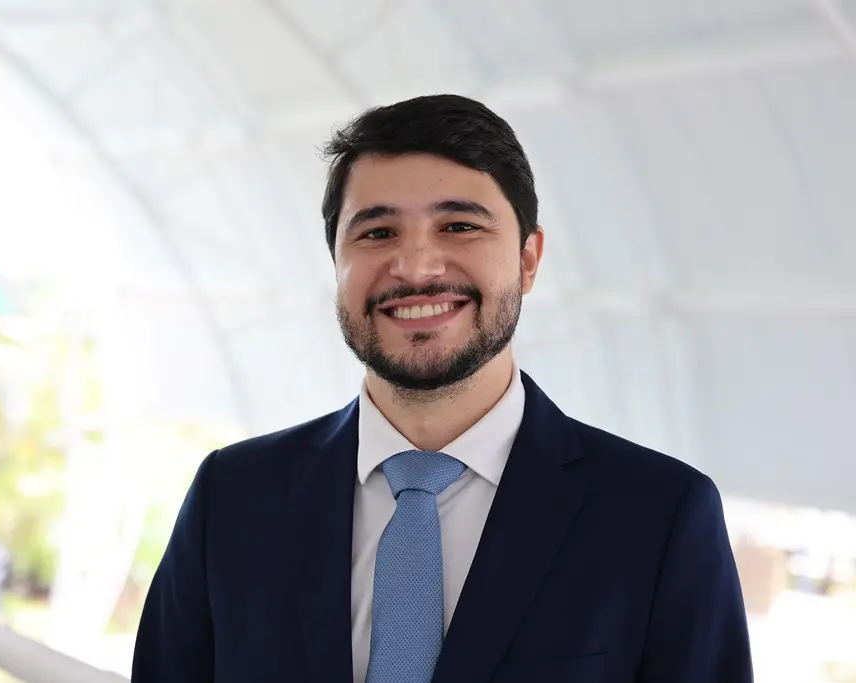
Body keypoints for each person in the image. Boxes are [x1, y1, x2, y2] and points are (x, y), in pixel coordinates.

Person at [131, 94, 753, 683]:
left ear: (528, 260)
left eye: (459, 226)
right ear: (337, 265)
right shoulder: (235, 497)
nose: (417, 267)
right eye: (377, 233)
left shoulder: (658, 517)